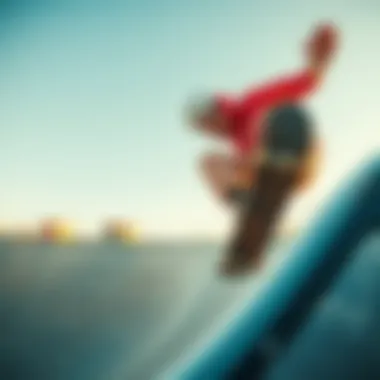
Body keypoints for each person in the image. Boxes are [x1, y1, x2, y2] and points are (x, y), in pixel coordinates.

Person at [186, 23, 339, 206]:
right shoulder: (236, 144)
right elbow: (239, 164)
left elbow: (308, 81)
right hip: (264, 170)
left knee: (266, 119)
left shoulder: (252, 100)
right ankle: (244, 203)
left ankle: (280, 156)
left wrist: (318, 60)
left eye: (211, 120)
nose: (213, 129)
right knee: (208, 161)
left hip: (301, 158)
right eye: (207, 128)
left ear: (220, 108)